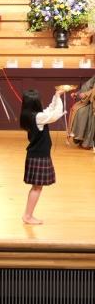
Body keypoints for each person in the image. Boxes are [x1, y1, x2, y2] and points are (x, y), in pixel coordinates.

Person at [20, 88, 65, 224]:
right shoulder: (38, 117)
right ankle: (27, 216)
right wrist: (59, 99)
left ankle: (28, 215)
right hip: (38, 157)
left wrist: (56, 96)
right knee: (37, 187)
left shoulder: (31, 115)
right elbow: (56, 114)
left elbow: (49, 111)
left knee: (36, 187)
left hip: (36, 155)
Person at [69, 74, 95, 151]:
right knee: (79, 110)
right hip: (91, 100)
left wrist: (86, 94)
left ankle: (88, 142)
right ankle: (82, 138)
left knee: (85, 113)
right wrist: (77, 94)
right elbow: (86, 86)